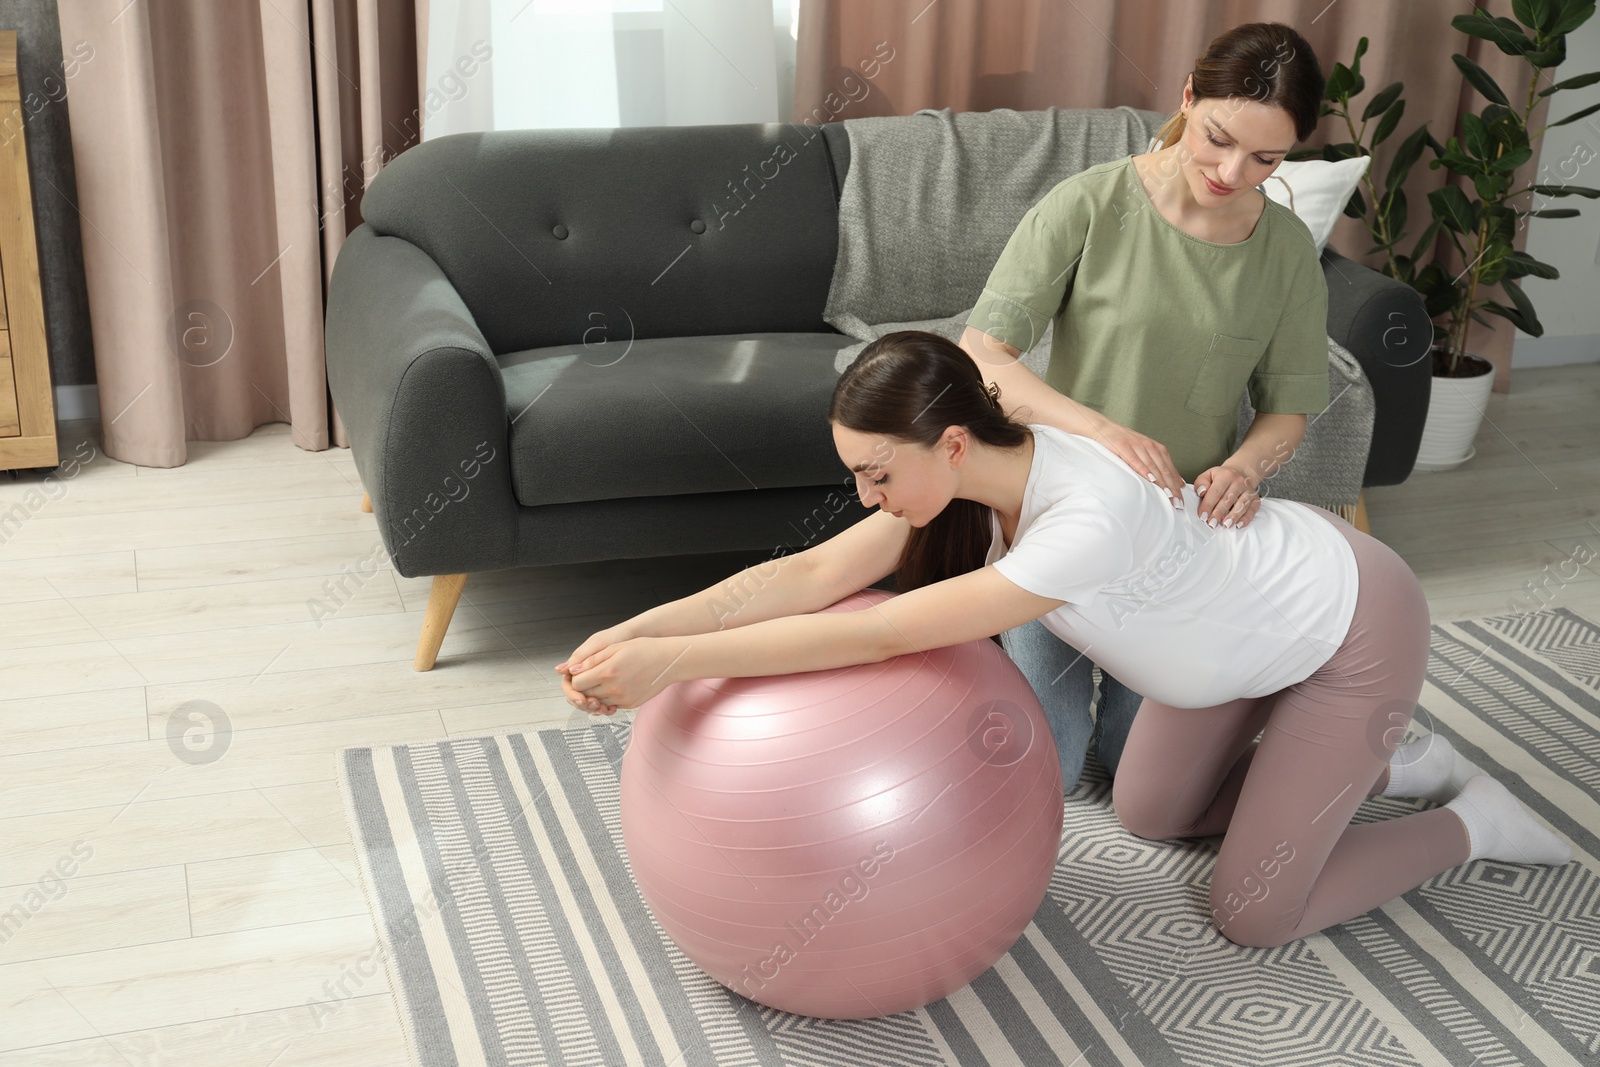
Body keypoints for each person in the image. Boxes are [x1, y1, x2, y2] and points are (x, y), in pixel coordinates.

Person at [554, 331, 1571, 949]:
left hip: (1343, 625)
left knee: (1254, 911)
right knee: (1149, 808)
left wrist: (673, 667)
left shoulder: (1080, 520)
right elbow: (809, 575)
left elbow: (880, 638)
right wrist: (633, 629)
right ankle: (1375, 762)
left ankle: (1472, 818)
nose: (865, 496)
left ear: (949, 443)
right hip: (1230, 657)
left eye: (874, 473)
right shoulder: (964, 475)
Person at [959, 22, 1334, 787]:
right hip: (1058, 517)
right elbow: (981, 357)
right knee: (1049, 772)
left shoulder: (1288, 251)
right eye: (1218, 138)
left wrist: (1243, 468)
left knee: (1143, 775)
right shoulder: (1088, 206)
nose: (1233, 170)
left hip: (1175, 544)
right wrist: (1103, 431)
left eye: (1266, 159)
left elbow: (1287, 408)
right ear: (1188, 97)